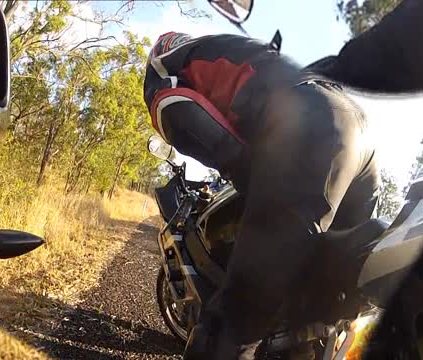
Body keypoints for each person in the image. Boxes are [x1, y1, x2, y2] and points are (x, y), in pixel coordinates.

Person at [143, 31, 380, 359]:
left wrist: (248, 177)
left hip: (306, 125)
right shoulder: (232, 50)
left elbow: (183, 116)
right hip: (360, 133)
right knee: (323, 299)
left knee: (234, 320)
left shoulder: (160, 69)